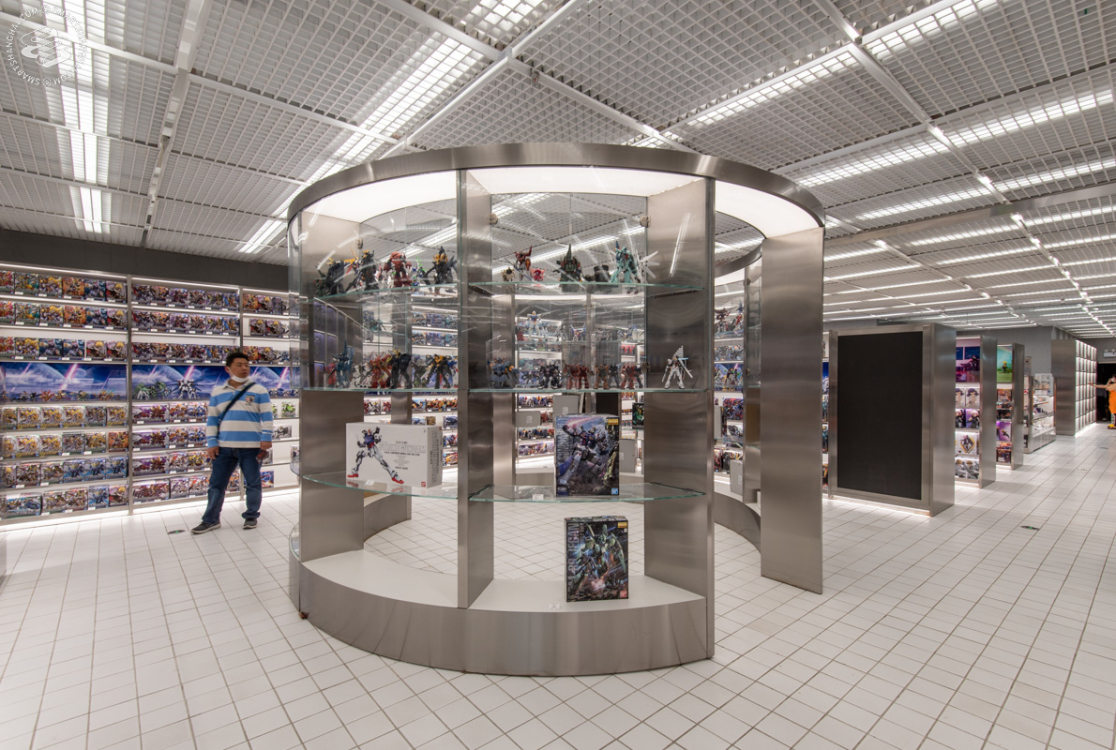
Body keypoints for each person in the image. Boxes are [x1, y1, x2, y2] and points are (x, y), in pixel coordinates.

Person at [192, 351, 273, 533]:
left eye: (246, 365)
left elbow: (267, 417)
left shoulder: (259, 390)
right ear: (228, 369)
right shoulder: (218, 392)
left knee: (253, 483)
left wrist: (266, 438)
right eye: (239, 365)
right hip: (224, 447)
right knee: (216, 485)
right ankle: (211, 519)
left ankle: (251, 516)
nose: (244, 368)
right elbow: (212, 419)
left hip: (251, 447)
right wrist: (211, 442)